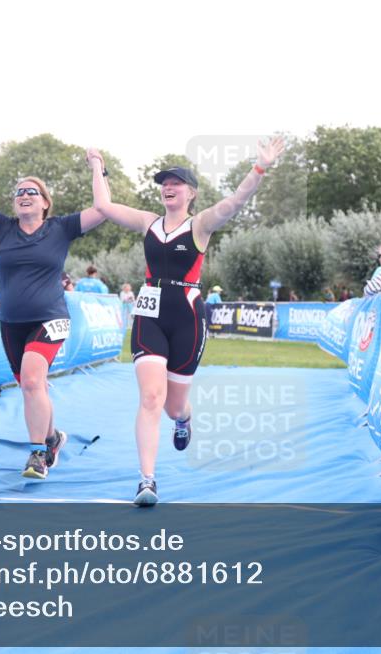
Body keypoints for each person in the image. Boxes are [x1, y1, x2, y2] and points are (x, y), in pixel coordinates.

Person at [87, 136, 285, 505]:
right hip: (149, 312)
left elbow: (235, 201)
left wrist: (260, 167)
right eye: (164, 184)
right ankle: (147, 480)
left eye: (175, 183)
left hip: (187, 315)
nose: (168, 188)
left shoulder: (201, 224)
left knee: (172, 406)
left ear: (191, 193)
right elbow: (103, 204)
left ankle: (184, 417)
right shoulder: (148, 222)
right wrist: (97, 165)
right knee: (150, 396)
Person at [0, 144, 107, 480]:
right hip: (11, 322)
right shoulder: (1, 227)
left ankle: (38, 455)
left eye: (32, 192)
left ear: (45, 202)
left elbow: (103, 208)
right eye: (19, 192)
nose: (24, 195)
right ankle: (53, 438)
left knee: (33, 380)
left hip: (51, 318)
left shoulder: (61, 228)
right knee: (31, 386)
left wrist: (97, 165)